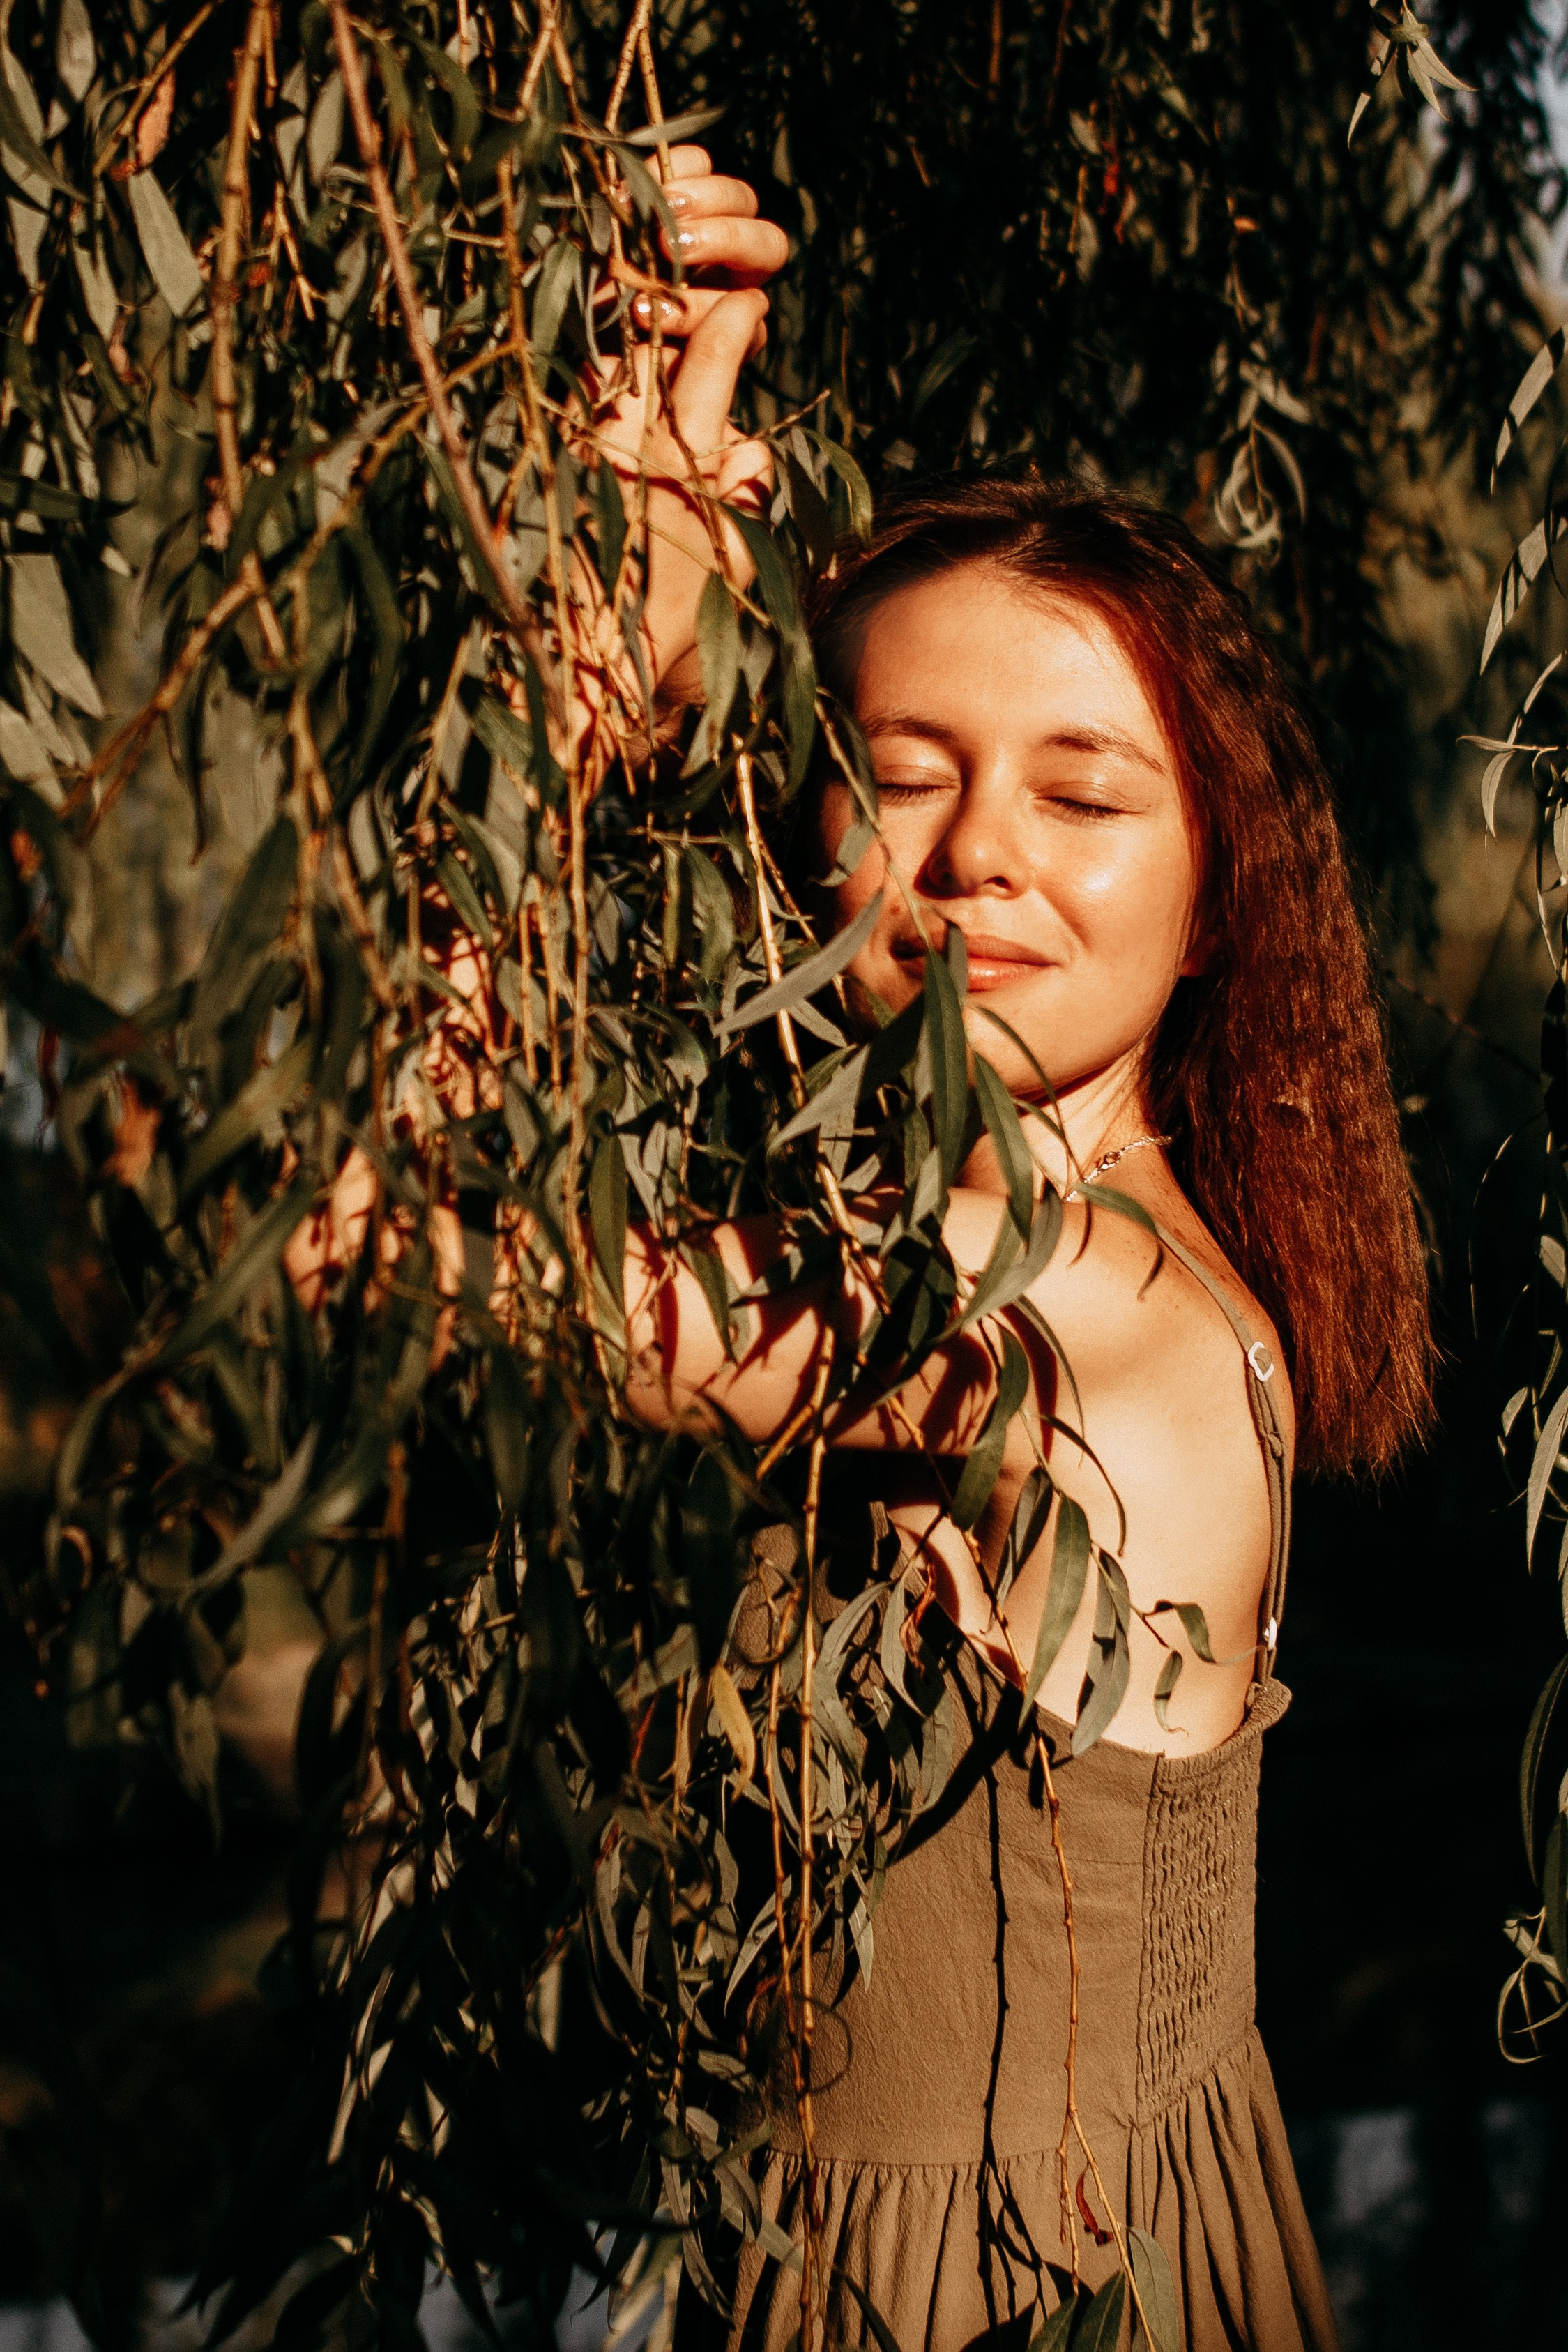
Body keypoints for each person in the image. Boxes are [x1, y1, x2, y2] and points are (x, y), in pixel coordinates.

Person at [286, 149, 1432, 2351]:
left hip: (980, 2296)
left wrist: (573, 675)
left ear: (1221, 889)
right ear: (807, 833)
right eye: (898, 772)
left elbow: (382, 1237)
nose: (978, 852)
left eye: (1084, 797)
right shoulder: (1107, 1238)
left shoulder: (1030, 1305)